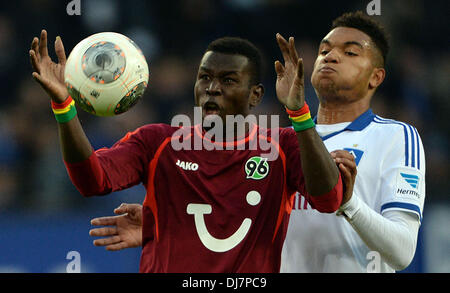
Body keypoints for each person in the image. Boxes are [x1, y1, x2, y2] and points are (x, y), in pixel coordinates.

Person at [90, 11, 426, 273]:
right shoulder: (283, 142)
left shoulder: (395, 136)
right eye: (325, 50)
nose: (331, 56)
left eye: (350, 52)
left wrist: (348, 204)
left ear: (376, 76)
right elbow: (240, 213)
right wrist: (161, 220)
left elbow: (402, 251)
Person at [30, 30, 348, 272]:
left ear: (255, 95)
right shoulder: (157, 142)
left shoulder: (283, 147)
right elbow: (92, 180)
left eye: (228, 80)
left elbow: (329, 199)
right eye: (205, 77)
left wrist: (300, 113)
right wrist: (63, 105)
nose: (212, 87)